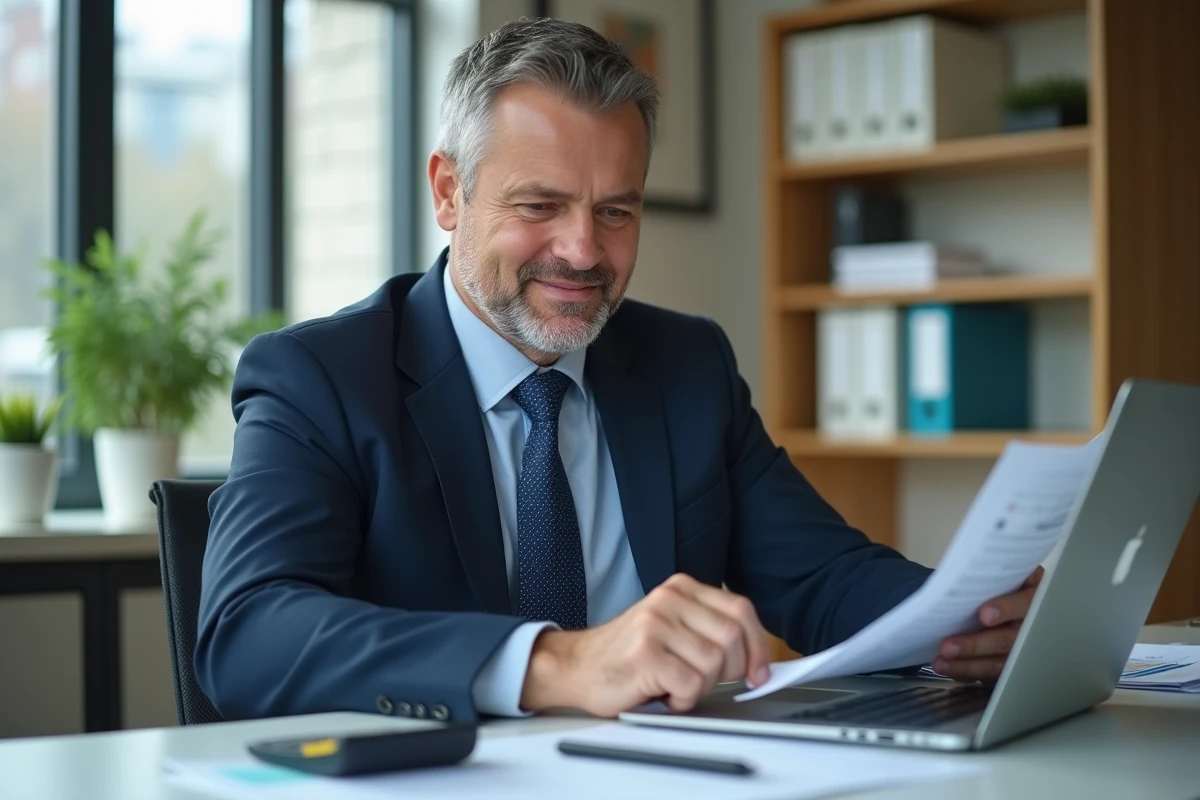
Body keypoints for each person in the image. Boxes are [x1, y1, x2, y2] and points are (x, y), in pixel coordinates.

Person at [196, 18, 1041, 724]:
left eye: (616, 211)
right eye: (540, 206)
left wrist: (971, 620)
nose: (583, 251)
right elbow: (248, 631)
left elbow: (823, 577)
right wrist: (558, 663)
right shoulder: (320, 377)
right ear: (450, 193)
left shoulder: (686, 365)